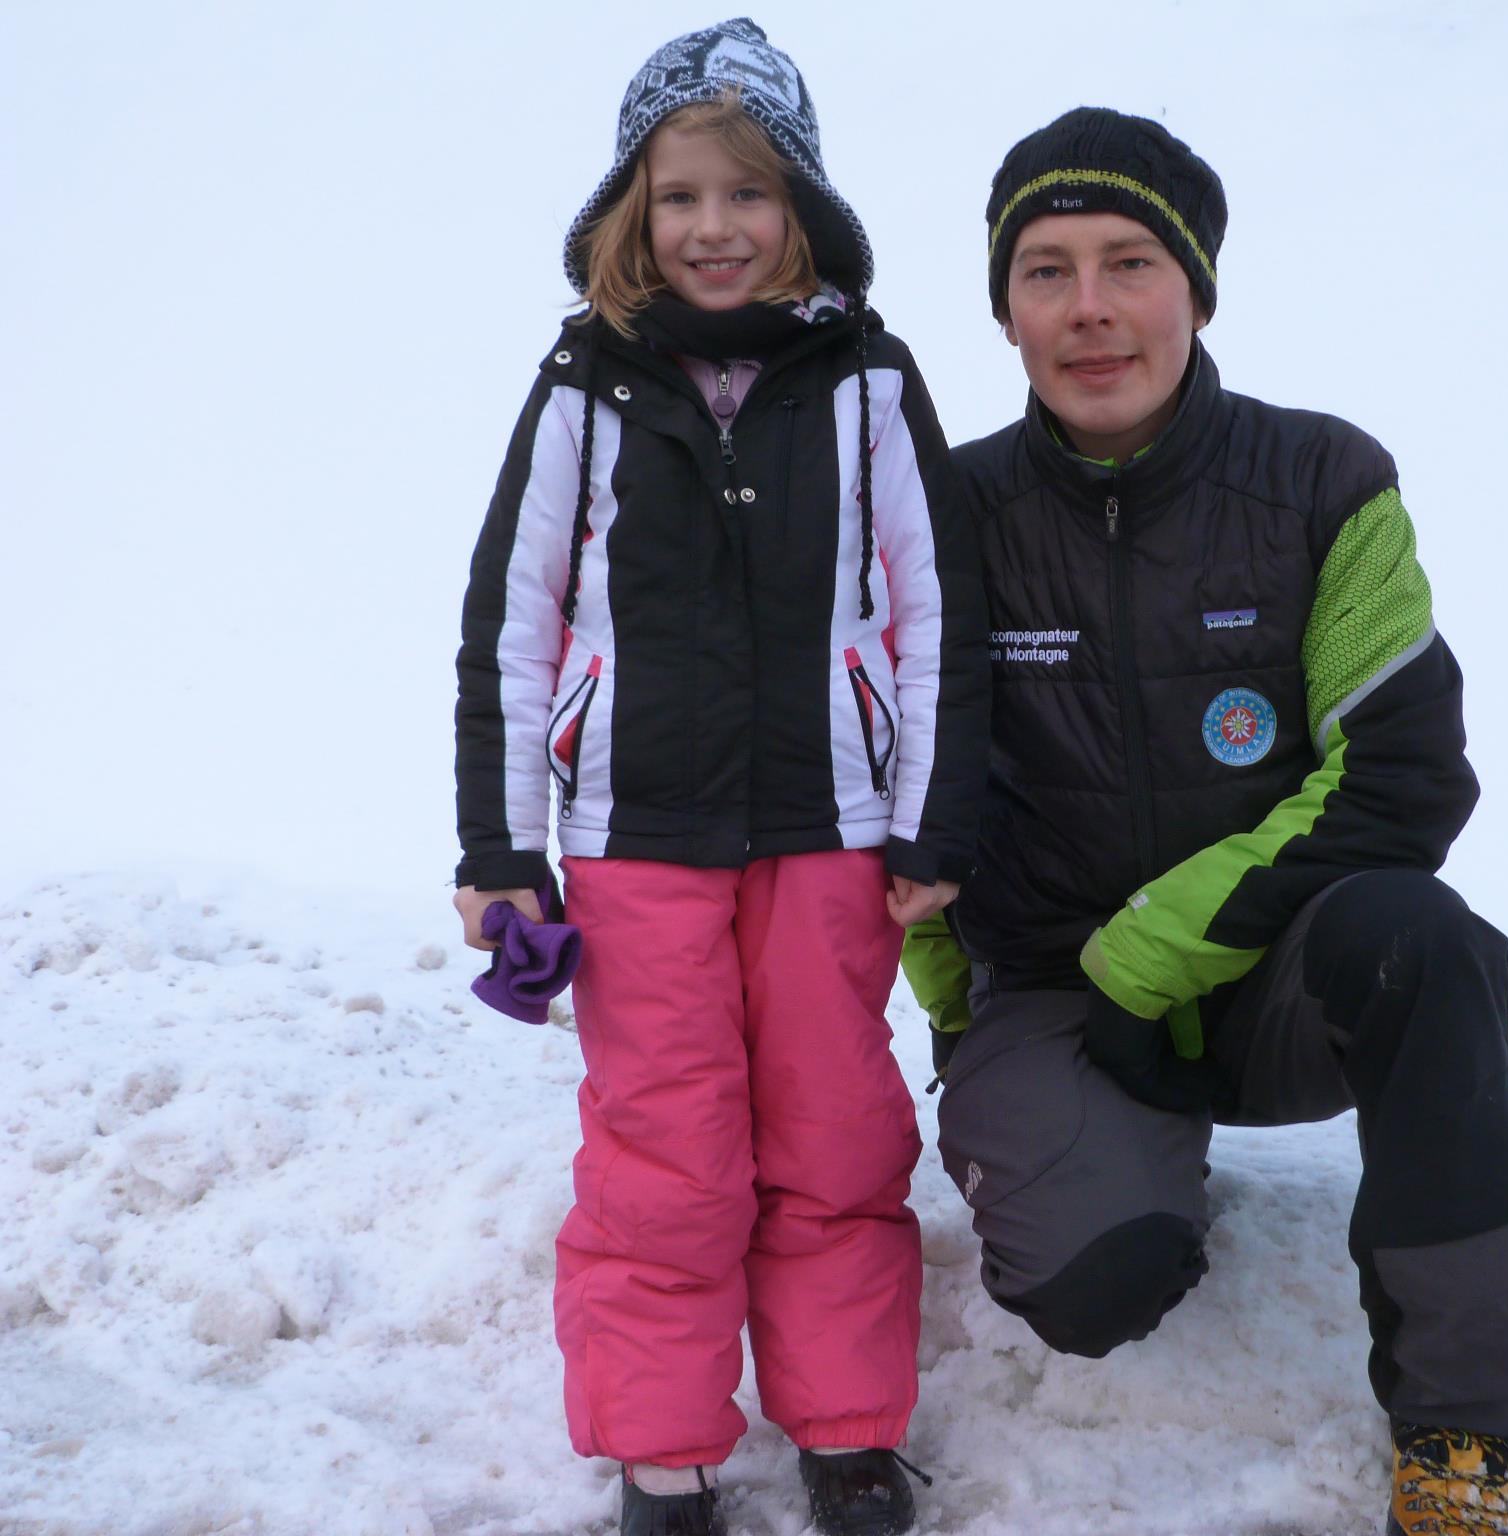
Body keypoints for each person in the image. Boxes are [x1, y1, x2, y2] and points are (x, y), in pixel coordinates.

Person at [901, 108, 1508, 1535]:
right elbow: (892, 799)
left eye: (1129, 261)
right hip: (1053, 991)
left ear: (1196, 289)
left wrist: (1154, 956)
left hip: (1273, 980)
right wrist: (964, 1027)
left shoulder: (1323, 483)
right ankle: (1121, 1165)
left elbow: (1402, 774)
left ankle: (1470, 1412)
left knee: (1426, 941)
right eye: (1045, 272)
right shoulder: (942, 512)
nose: (1090, 309)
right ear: (1005, 310)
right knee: (1093, 1288)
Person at [452, 21, 985, 1536]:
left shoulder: (871, 382)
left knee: (833, 1132)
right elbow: (514, 616)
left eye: (748, 196)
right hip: (637, 844)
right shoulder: (584, 389)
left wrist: (936, 812)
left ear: (800, 211)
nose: (714, 228)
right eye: (681, 197)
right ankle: (665, 1447)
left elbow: (934, 605)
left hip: (833, 833)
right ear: (634, 215)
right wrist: (504, 846)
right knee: (666, 1148)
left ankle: (847, 1425)